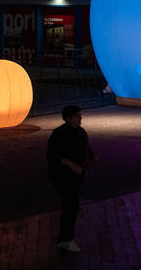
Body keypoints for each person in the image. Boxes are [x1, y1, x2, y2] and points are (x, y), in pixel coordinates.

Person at [46, 105, 96, 253]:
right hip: (61, 176)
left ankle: (64, 239)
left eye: (80, 115)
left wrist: (91, 158)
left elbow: (86, 149)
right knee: (71, 205)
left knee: (71, 205)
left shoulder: (80, 132)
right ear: (68, 118)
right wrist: (71, 165)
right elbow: (52, 156)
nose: (81, 118)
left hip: (76, 176)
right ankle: (67, 240)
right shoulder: (59, 134)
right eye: (77, 116)